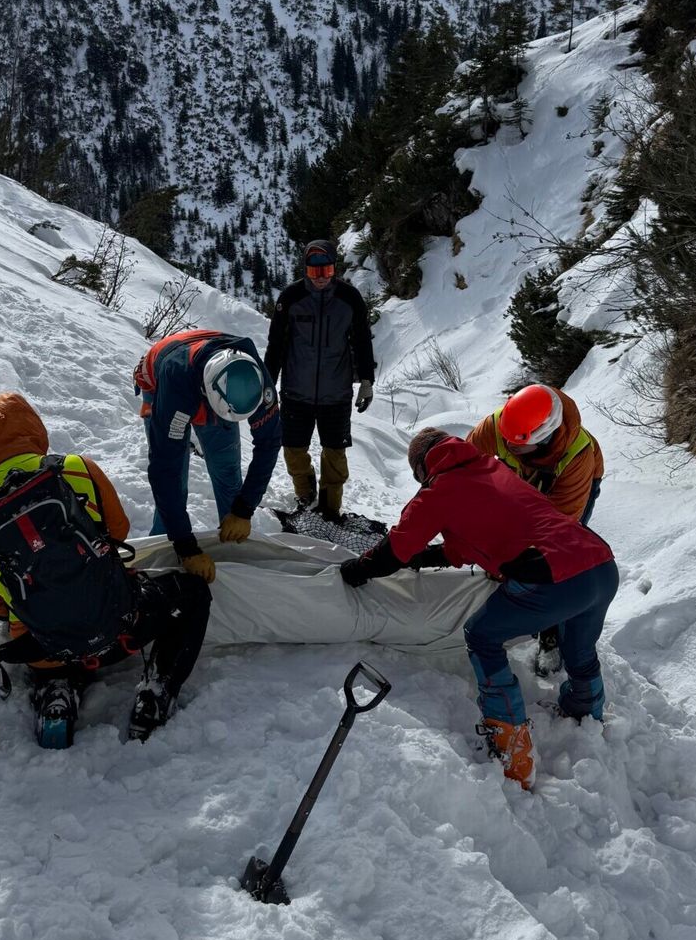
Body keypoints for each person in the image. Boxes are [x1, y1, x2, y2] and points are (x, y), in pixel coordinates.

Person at [339, 427, 618, 789]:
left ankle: (512, 749)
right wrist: (423, 558)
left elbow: (396, 547)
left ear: (422, 468)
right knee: (578, 648)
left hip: (553, 576)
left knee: (483, 636)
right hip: (599, 563)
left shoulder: (438, 490)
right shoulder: (492, 467)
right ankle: (586, 714)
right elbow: (468, 543)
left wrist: (358, 569)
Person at [0, 392, 211, 743]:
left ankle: (55, 688)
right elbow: (118, 532)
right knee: (192, 593)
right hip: (119, 628)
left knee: (25, 627)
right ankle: (157, 691)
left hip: (43, 646)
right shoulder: (78, 468)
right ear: (34, 427)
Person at [468, 383, 605, 669]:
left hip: (568, 492)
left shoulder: (577, 456)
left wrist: (511, 558)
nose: (506, 446)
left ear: (544, 437)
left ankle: (551, 634)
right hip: (521, 480)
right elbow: (462, 469)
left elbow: (558, 526)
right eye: (505, 440)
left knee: (561, 563)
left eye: (516, 444)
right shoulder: (499, 426)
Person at [134, 328, 281, 583]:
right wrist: (185, 547)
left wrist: (244, 510)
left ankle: (234, 553)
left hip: (208, 375)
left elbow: (269, 442)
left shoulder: (253, 377)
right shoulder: (176, 386)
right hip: (163, 382)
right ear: (206, 393)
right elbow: (163, 469)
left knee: (227, 470)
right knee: (175, 478)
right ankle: (161, 555)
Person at [264, 239, 375, 520]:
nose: (322, 278)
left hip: (336, 393)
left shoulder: (349, 299)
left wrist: (366, 380)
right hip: (295, 391)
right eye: (314, 273)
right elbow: (275, 344)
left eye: (326, 270)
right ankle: (306, 496)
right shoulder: (290, 298)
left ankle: (329, 508)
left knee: (335, 455)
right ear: (305, 271)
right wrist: (267, 383)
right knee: (293, 450)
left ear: (334, 268)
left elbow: (362, 341)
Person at [466, 383, 603, 524]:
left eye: (518, 442)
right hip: (527, 470)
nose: (508, 445)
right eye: (506, 436)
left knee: (571, 536)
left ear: (543, 440)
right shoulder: (497, 424)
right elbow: (464, 467)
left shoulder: (577, 458)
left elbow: (563, 521)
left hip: (576, 481)